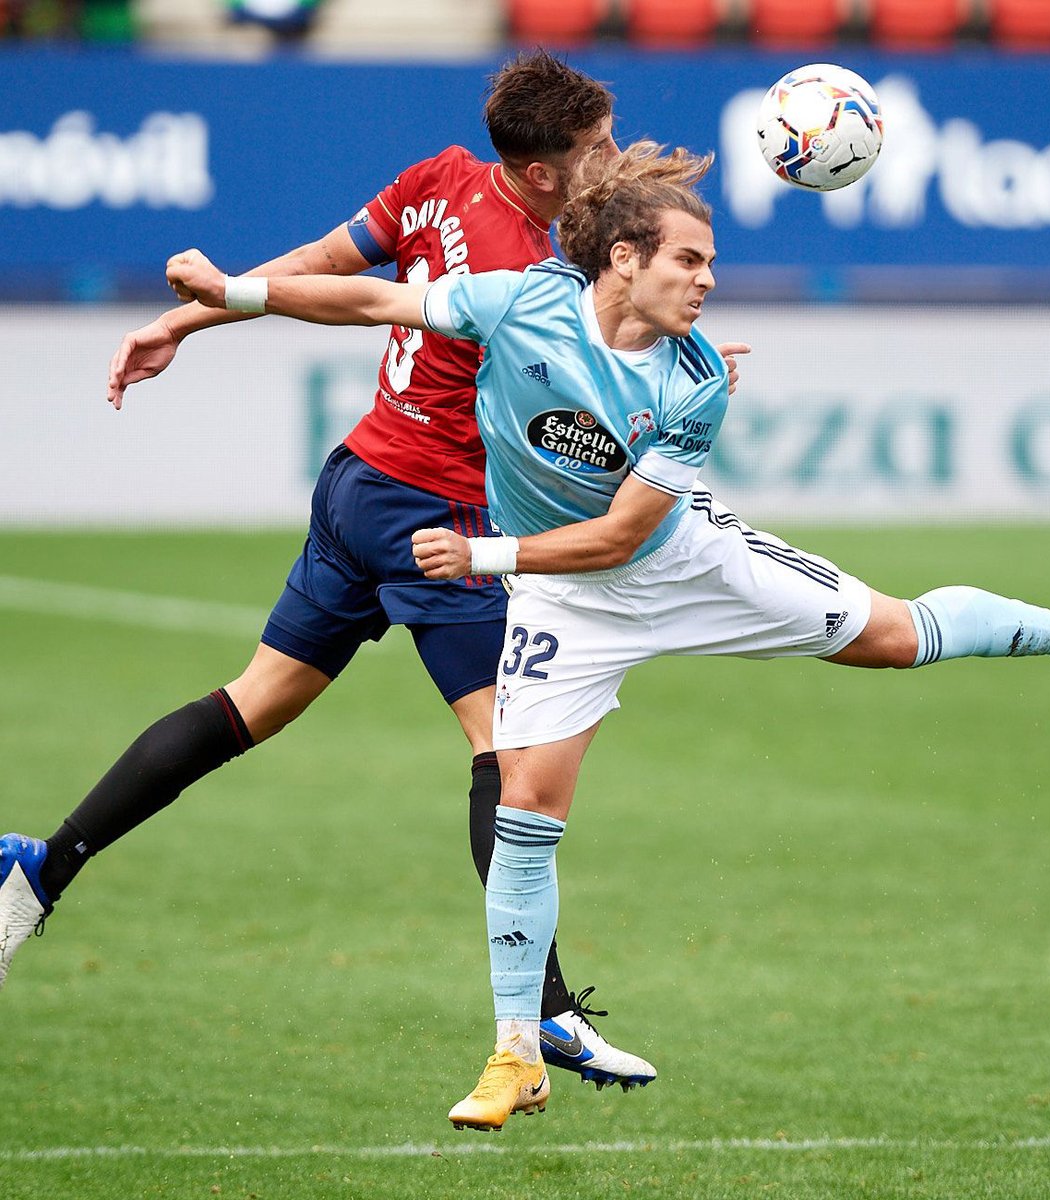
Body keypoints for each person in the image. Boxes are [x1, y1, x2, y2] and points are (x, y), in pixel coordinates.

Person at [156, 139, 1050, 1132]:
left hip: (680, 568)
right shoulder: (520, 303)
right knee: (523, 803)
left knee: (897, 635)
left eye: (710, 264)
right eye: (689, 260)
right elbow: (373, 299)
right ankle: (516, 1052)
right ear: (624, 258)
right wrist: (235, 295)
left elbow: (619, 537)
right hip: (569, 604)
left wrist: (485, 556)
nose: (707, 281)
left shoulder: (692, 382)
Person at [0, 52, 734, 1092]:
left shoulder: (443, 176)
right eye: (597, 148)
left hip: (358, 482)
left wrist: (191, 316)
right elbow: (551, 379)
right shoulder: (539, 272)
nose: (614, 160)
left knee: (252, 702)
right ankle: (546, 1017)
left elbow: (324, 264)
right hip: (435, 510)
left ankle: (42, 864)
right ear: (539, 173)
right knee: (509, 754)